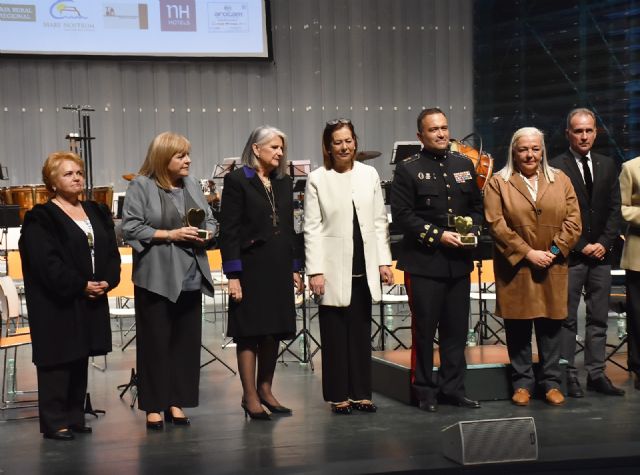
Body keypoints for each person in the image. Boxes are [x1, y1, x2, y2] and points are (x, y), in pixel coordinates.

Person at [19, 151, 120, 440]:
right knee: (57, 359)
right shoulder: (40, 218)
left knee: (80, 355)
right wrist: (80, 286)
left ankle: (75, 416)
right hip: (56, 300)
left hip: (90, 296)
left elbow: (110, 252)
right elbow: (45, 263)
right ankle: (54, 422)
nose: (76, 177)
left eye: (79, 172)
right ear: (52, 181)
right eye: (68, 173)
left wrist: (107, 281)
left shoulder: (95, 211)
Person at [390, 108, 483, 412]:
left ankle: (453, 388)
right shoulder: (408, 169)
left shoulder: (464, 163)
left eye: (444, 128)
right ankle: (424, 391)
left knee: (456, 331)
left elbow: (477, 208)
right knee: (425, 332)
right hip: (424, 263)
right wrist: (438, 235)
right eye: (433, 130)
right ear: (421, 136)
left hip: (458, 262)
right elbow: (403, 217)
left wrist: (471, 228)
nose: (441, 134)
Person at [122, 132, 217, 429]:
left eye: (188, 154)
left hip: (190, 275)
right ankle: (153, 405)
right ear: (164, 159)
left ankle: (176, 401)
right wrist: (170, 235)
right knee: (156, 343)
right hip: (157, 277)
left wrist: (209, 232)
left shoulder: (191, 184)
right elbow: (131, 228)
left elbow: (210, 218)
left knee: (185, 344)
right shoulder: (142, 185)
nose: (188, 160)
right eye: (181, 156)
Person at [484, 127, 581, 406]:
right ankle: (522, 384)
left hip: (552, 265)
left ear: (543, 151)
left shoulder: (560, 180)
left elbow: (574, 222)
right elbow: (496, 225)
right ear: (514, 151)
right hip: (516, 267)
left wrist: (551, 252)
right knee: (518, 328)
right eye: (524, 149)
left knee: (551, 327)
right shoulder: (498, 183)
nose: (530, 155)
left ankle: (551, 383)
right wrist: (528, 253)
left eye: (535, 149)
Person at [304, 119, 393, 414]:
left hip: (364, 265)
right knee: (334, 334)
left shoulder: (369, 174)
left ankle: (361, 393)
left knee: (360, 331)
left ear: (355, 141)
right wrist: (315, 270)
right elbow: (312, 228)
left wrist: (383, 261)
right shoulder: (317, 178)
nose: (345, 147)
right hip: (330, 268)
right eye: (338, 142)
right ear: (328, 147)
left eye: (349, 140)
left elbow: (379, 221)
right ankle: (338, 395)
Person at [219, 125, 303, 420]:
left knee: (274, 331)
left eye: (282, 148)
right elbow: (228, 230)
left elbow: (291, 227)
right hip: (251, 266)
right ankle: (250, 396)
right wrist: (233, 274)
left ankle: (266, 389)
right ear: (256, 149)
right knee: (250, 332)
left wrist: (295, 266)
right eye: (274, 148)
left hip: (279, 264)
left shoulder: (283, 181)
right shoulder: (237, 180)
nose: (280, 153)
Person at [550, 108, 624, 398]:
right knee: (567, 319)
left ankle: (596, 373)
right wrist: (581, 245)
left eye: (589, 130)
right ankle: (569, 376)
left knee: (599, 318)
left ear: (596, 132)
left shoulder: (607, 164)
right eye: (578, 131)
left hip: (602, 255)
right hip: (571, 255)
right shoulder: (556, 166)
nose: (584, 136)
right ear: (568, 133)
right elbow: (556, 215)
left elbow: (615, 210)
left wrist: (604, 243)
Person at [620, 155, 640, 391]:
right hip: (638, 256)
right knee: (637, 315)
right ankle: (637, 367)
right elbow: (622, 209)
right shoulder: (631, 167)